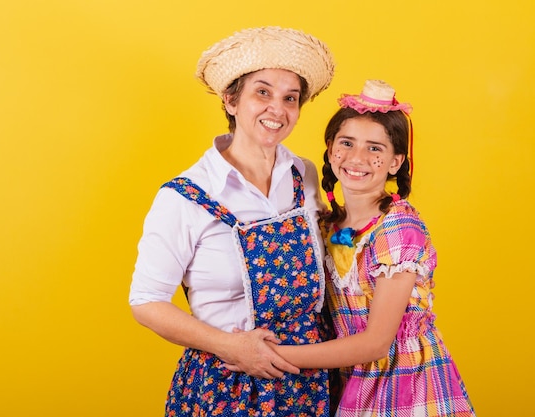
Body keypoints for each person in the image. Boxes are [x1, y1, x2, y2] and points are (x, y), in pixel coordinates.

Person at [129, 26, 337, 416]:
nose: (278, 109)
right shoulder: (184, 197)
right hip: (227, 384)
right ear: (230, 100)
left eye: (290, 98)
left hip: (312, 381)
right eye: (262, 92)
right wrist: (231, 346)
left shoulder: (304, 175)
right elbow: (146, 301)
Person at [236, 79, 475, 416]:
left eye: (375, 148)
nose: (357, 158)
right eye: (346, 143)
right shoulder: (326, 225)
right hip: (350, 379)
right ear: (331, 148)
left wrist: (269, 355)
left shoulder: (398, 230)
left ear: (395, 162)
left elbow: (375, 342)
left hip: (407, 385)